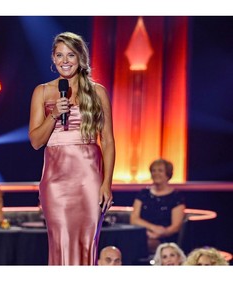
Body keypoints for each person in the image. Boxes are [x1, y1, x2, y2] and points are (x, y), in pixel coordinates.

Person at [28, 31, 115, 265]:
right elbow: (36, 142)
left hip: (89, 177)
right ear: (53, 59)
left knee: (88, 242)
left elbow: (107, 140)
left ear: (80, 58)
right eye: (59, 55)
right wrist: (54, 114)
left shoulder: (97, 92)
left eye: (70, 55)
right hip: (56, 181)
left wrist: (107, 183)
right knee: (61, 240)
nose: (65, 61)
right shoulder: (43, 91)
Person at [130, 158, 186, 254]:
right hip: (143, 234)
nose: (156, 173)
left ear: (168, 174)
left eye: (160, 170)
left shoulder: (176, 197)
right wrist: (153, 229)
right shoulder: (143, 194)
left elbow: (175, 226)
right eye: (153, 170)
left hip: (165, 237)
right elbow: (134, 219)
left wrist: (159, 234)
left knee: (147, 244)